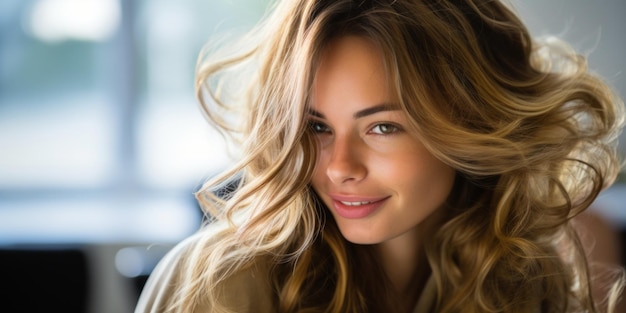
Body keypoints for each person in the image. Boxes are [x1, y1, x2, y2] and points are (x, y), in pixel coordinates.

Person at [135, 0, 626, 312]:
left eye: (383, 127)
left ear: (471, 126)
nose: (338, 166)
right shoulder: (219, 287)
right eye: (316, 126)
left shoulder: (523, 281)